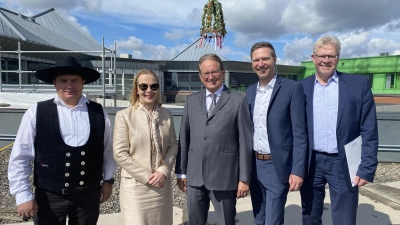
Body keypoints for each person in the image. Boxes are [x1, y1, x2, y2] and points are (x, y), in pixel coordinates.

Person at [8, 56, 117, 225]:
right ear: (54, 83)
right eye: (63, 80)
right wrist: (23, 194)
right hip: (49, 197)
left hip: (88, 196)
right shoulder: (36, 112)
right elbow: (20, 157)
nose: (69, 85)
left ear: (83, 82)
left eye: (75, 80)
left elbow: (108, 152)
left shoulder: (98, 112)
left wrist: (108, 181)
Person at [300, 35, 379, 225]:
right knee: (310, 217)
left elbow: (369, 129)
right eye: (321, 56)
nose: (326, 60)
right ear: (313, 58)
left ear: (338, 58)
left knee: (345, 219)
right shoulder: (301, 88)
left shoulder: (357, 86)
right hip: (311, 163)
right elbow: (296, 130)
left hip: (343, 163)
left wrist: (367, 167)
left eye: (331, 56)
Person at [175, 54, 253, 225]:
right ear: (200, 76)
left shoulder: (238, 100)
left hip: (224, 177)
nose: (211, 77)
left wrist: (244, 179)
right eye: (206, 73)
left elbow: (244, 142)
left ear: (223, 72)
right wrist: (181, 172)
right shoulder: (191, 101)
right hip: (195, 177)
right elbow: (184, 138)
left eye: (215, 72)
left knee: (226, 221)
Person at [245, 42, 308, 225]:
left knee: (273, 220)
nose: (261, 63)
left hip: (277, 165)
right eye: (256, 60)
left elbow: (299, 133)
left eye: (265, 58)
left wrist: (297, 170)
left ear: (274, 60)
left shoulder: (291, 88)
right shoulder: (249, 92)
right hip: (254, 165)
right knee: (259, 217)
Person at [113, 69, 178, 225]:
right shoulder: (124, 116)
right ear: (136, 89)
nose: (149, 90)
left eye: (153, 86)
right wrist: (147, 176)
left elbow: (173, 146)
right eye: (143, 86)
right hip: (136, 187)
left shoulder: (166, 114)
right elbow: (120, 153)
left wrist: (163, 171)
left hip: (161, 186)